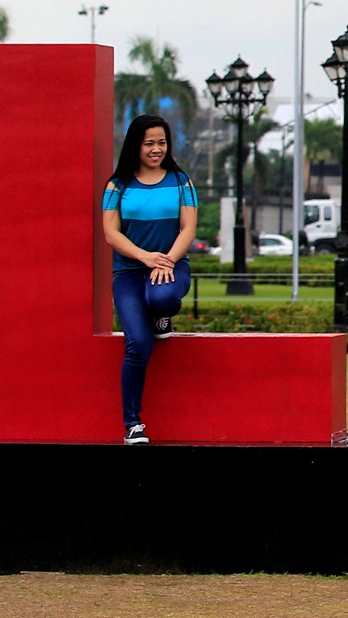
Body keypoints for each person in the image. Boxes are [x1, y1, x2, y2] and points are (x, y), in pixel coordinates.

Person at [100, 114, 199, 446]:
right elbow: (111, 233)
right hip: (129, 272)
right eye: (149, 143)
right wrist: (145, 257)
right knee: (138, 345)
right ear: (135, 145)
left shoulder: (181, 181)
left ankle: (161, 319)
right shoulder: (117, 185)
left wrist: (167, 259)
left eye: (162, 142)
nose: (157, 149)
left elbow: (188, 228)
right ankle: (133, 424)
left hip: (171, 266)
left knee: (162, 300)